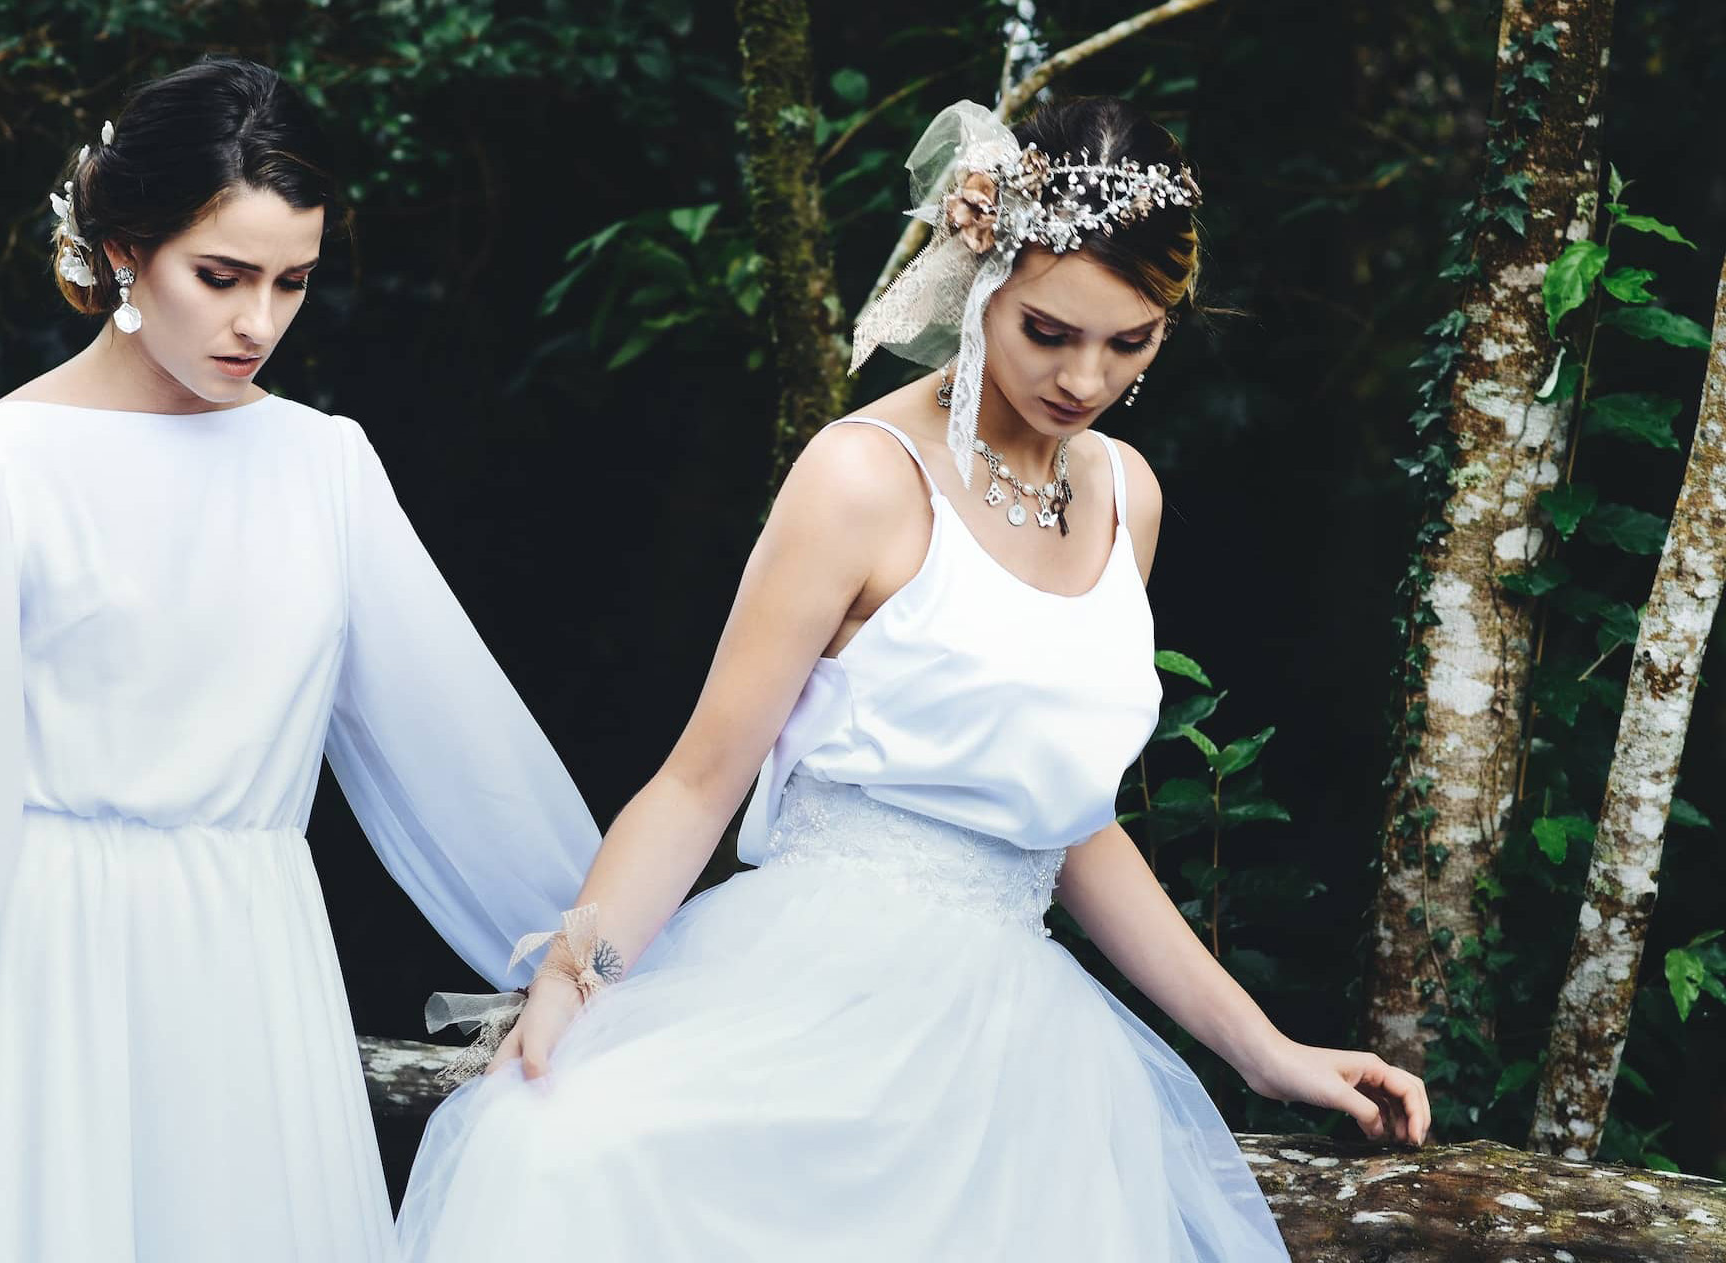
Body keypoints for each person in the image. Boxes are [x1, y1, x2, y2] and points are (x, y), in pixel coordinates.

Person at [396, 97, 1429, 1261]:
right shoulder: (861, 478)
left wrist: (1266, 1051)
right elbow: (699, 783)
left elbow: (1068, 828)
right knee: (562, 1148)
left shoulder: (1126, 495)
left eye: (1130, 342)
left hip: (1016, 1051)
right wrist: (576, 980)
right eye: (1048, 331)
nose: (1083, 377)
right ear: (981, 274)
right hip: (807, 995)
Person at [0, 56, 599, 1263]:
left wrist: (602, 949)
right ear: (125, 249)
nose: (258, 323)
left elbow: (463, 749)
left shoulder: (324, 467)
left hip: (247, 981)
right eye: (220, 275)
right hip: (31, 991)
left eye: (292, 282)